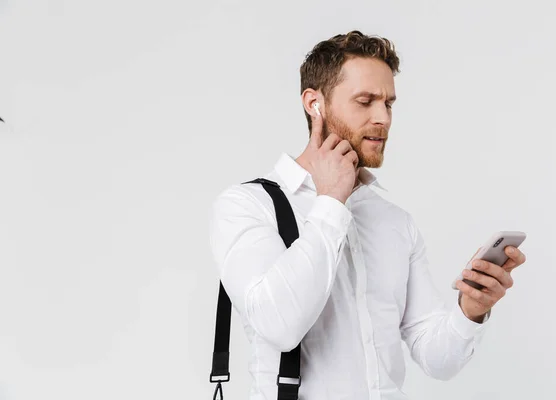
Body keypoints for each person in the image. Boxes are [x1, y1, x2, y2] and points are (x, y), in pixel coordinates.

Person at [208, 30, 527, 400]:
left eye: (389, 104)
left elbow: (437, 359)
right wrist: (331, 202)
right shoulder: (247, 205)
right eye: (365, 101)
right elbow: (278, 325)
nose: (383, 118)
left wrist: (470, 310)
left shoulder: (394, 221)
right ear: (315, 103)